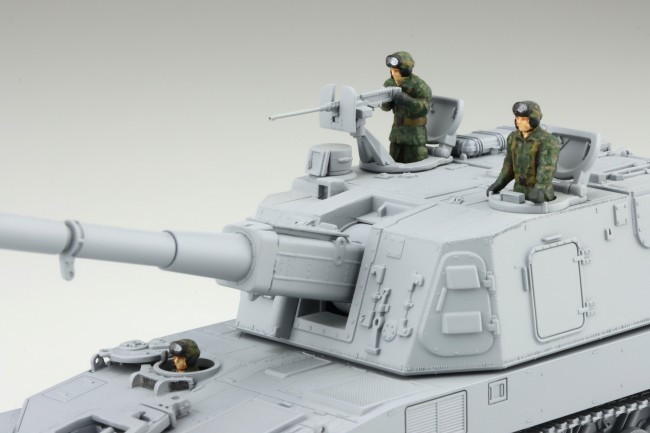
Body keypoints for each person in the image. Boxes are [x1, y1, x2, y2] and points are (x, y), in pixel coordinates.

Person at [487, 101, 560, 203]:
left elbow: (547, 168)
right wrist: (499, 183)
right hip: (518, 191)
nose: (518, 121)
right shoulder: (513, 138)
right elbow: (509, 164)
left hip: (540, 193)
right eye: (517, 118)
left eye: (523, 119)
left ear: (534, 120)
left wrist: (539, 188)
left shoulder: (548, 140)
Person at [381, 51, 432, 163]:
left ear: (406, 70)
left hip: (415, 135)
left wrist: (406, 100)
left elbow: (424, 108)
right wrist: (384, 100)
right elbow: (385, 108)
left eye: (397, 71)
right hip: (397, 135)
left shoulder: (419, 85)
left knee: (417, 162)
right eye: (392, 70)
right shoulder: (390, 83)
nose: (393, 74)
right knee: (393, 161)